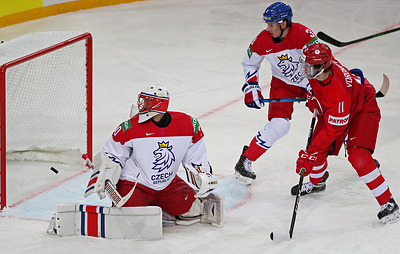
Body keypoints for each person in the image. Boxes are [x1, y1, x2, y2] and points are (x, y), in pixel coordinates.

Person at [294, 42, 399, 223]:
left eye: (310, 67)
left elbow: (334, 129)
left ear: (322, 67)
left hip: (362, 109)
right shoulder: (322, 67)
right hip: (344, 104)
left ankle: (388, 203)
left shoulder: (338, 94)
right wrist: (313, 96)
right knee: (318, 147)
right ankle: (318, 182)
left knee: (358, 156)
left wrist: (309, 153)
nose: (305, 70)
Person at [98, 85, 223, 226]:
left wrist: (203, 174)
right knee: (129, 221)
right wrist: (105, 175)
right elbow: (111, 154)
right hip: (135, 184)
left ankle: (160, 206)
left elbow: (195, 156)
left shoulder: (188, 124)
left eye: (147, 101)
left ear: (159, 104)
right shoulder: (130, 127)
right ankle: (149, 205)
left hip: (167, 183)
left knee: (192, 211)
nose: (142, 104)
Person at [235, 2, 319, 185]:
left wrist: (317, 87)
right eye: (267, 24)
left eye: (272, 24)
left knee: (332, 118)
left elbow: (320, 61)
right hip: (283, 85)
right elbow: (249, 63)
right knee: (280, 126)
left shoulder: (304, 34)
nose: (268, 28)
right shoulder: (261, 40)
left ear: (284, 23)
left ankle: (353, 150)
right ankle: (246, 160)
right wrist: (252, 87)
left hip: (311, 83)